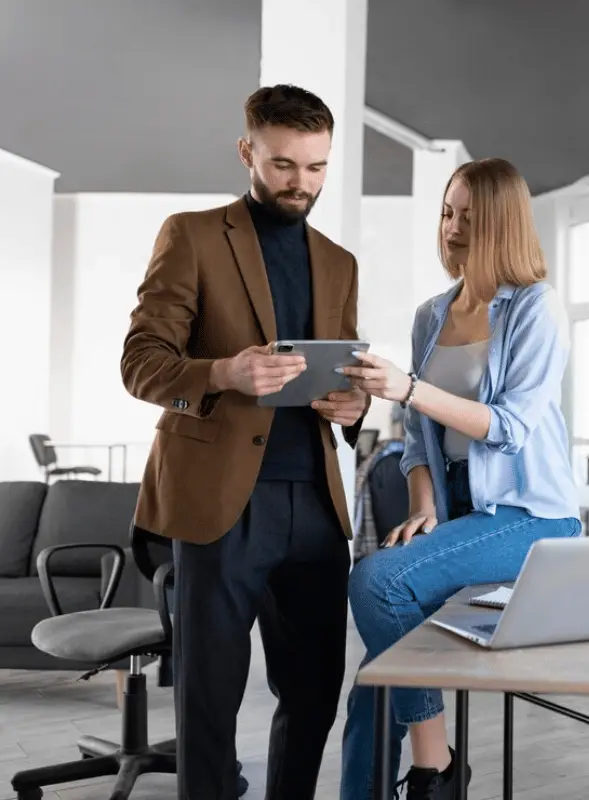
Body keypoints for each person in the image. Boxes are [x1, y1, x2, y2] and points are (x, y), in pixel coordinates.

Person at [121, 84, 368, 800]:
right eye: (285, 165)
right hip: (220, 504)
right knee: (210, 696)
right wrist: (224, 371)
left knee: (315, 688)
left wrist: (351, 408)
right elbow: (140, 362)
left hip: (316, 504)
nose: (302, 184)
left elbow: (343, 380)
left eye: (317, 167)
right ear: (247, 151)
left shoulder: (340, 261)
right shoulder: (192, 234)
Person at [338, 157, 582, 800]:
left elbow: (509, 428)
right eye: (447, 212)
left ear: (502, 224)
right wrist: (425, 505)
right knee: (374, 681)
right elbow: (415, 436)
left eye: (469, 217)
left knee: (376, 579)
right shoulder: (431, 314)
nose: (452, 227)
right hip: (461, 517)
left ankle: (435, 764)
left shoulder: (535, 308)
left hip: (532, 518)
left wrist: (413, 387)